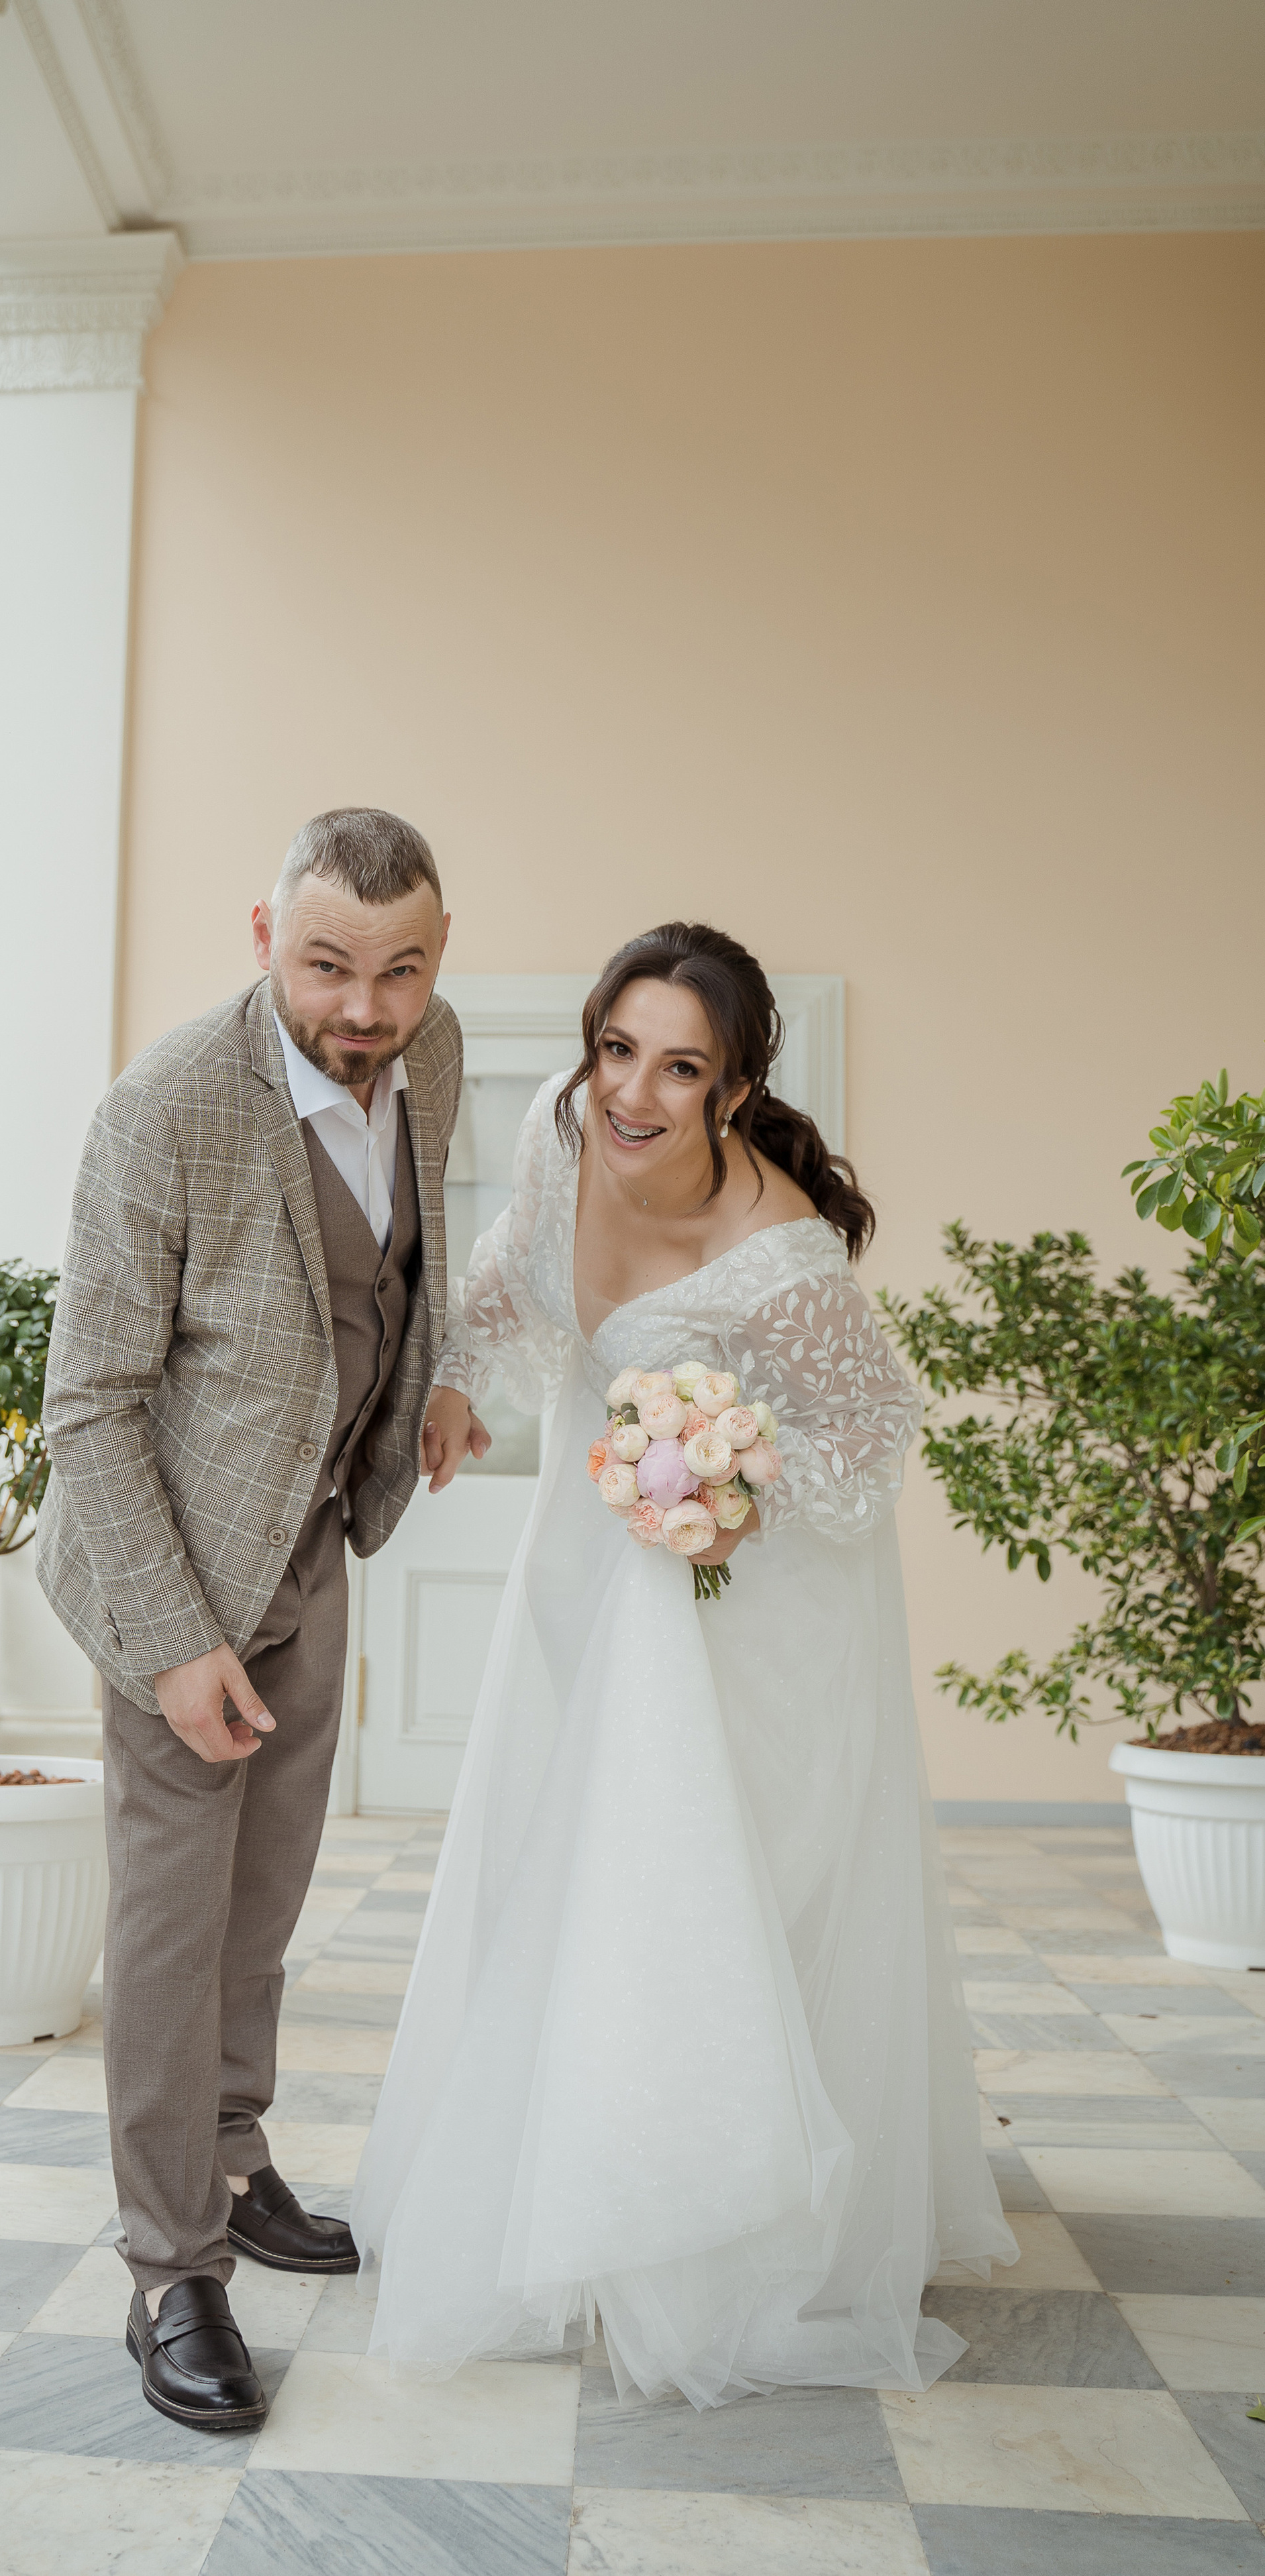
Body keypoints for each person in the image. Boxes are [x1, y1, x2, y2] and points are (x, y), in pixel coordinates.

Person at [351, 920, 1017, 2406]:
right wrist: (460, 1389)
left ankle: (696, 2218)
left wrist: (720, 1476)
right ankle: (552, 2178)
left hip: (740, 1605)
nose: (631, 1094)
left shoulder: (774, 1252)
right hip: (583, 1564)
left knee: (686, 1885)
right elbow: (521, 1286)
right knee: (546, 1855)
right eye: (613, 1049)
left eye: (678, 1067)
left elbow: (866, 1438)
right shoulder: (556, 1131)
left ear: (729, 1091)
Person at [37, 808, 464, 2433]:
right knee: (167, 1919)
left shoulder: (430, 1065)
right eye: (327, 966)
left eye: (399, 970)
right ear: (262, 934)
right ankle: (167, 2265)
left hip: (312, 1547)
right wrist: (171, 1639)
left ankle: (233, 2152)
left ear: (436, 956)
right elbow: (87, 1404)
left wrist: (434, 1386)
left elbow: (407, 1275)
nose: (364, 1009)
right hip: (173, 1579)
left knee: (264, 1896)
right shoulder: (161, 1112)